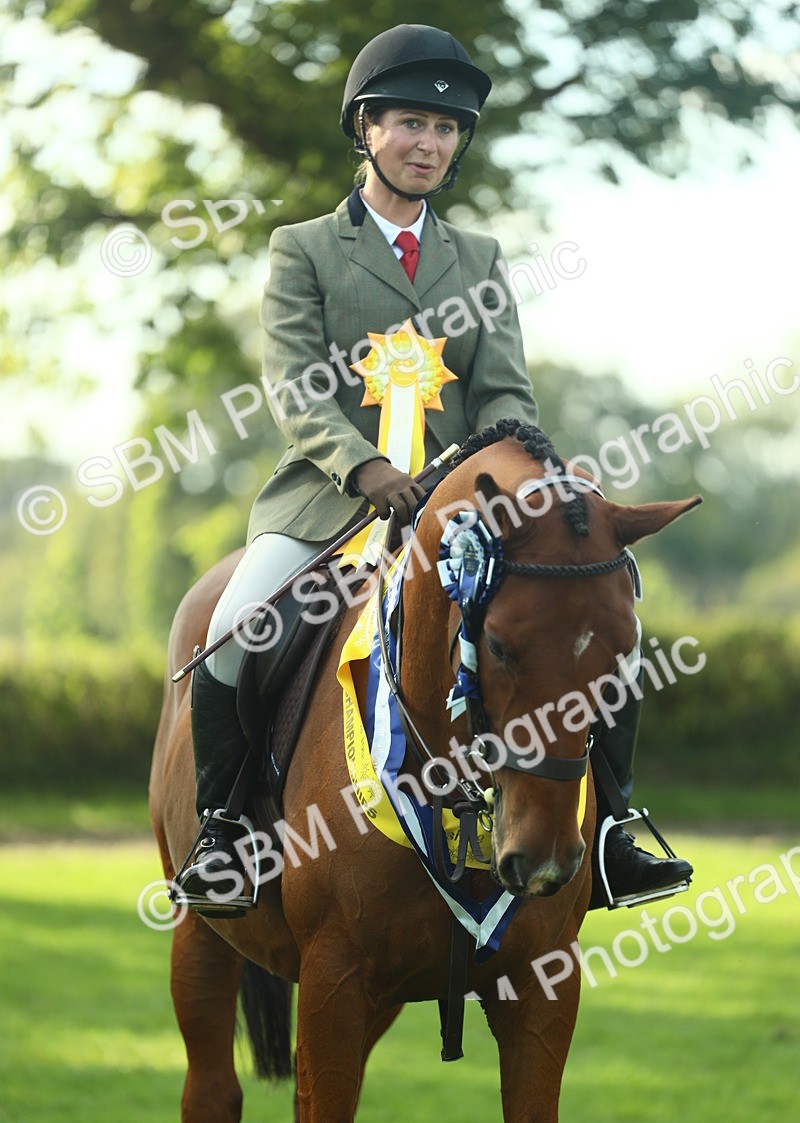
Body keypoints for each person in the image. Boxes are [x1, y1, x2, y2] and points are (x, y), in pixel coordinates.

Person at [178, 23, 693, 915]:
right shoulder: (301, 250)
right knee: (235, 627)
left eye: (446, 130)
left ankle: (612, 831)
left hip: (469, 515)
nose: (428, 143)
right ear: (367, 130)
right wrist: (365, 468)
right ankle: (225, 828)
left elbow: (507, 401)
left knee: (602, 623)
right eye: (411, 123)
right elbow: (297, 389)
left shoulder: (482, 260)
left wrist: (537, 485)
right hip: (326, 506)